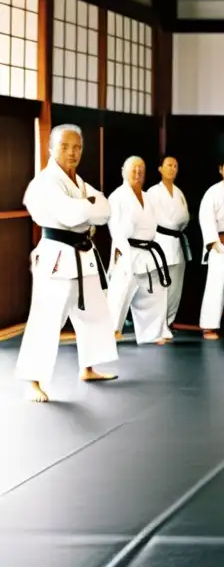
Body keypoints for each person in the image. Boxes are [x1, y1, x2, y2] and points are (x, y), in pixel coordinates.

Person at [15, 124, 118, 402]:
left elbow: (106, 209)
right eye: (65, 146)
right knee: (46, 319)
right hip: (57, 256)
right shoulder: (44, 183)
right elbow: (72, 215)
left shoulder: (79, 182)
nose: (72, 152)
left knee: (94, 314)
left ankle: (88, 367)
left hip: (84, 256)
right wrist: (88, 206)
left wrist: (88, 206)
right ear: (51, 148)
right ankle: (33, 381)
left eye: (77, 147)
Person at [108, 156, 172, 345]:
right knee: (119, 293)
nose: (137, 173)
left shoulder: (147, 197)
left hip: (147, 251)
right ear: (123, 171)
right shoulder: (117, 197)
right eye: (133, 169)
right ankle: (111, 331)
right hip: (128, 250)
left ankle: (152, 333)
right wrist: (124, 253)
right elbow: (117, 230)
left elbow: (154, 225)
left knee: (155, 291)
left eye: (141, 169)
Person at [197, 152, 224, 341]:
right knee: (216, 286)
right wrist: (215, 243)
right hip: (218, 245)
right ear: (220, 170)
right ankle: (209, 326)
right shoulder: (213, 193)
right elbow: (206, 221)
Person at [148, 154, 190, 329]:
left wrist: (179, 222)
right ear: (160, 169)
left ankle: (169, 321)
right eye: (169, 165)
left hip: (177, 241)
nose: (173, 168)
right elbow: (162, 219)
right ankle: (156, 324)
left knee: (176, 286)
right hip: (161, 240)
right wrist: (175, 222)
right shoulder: (153, 192)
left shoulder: (178, 192)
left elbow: (185, 217)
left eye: (175, 166)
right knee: (161, 285)